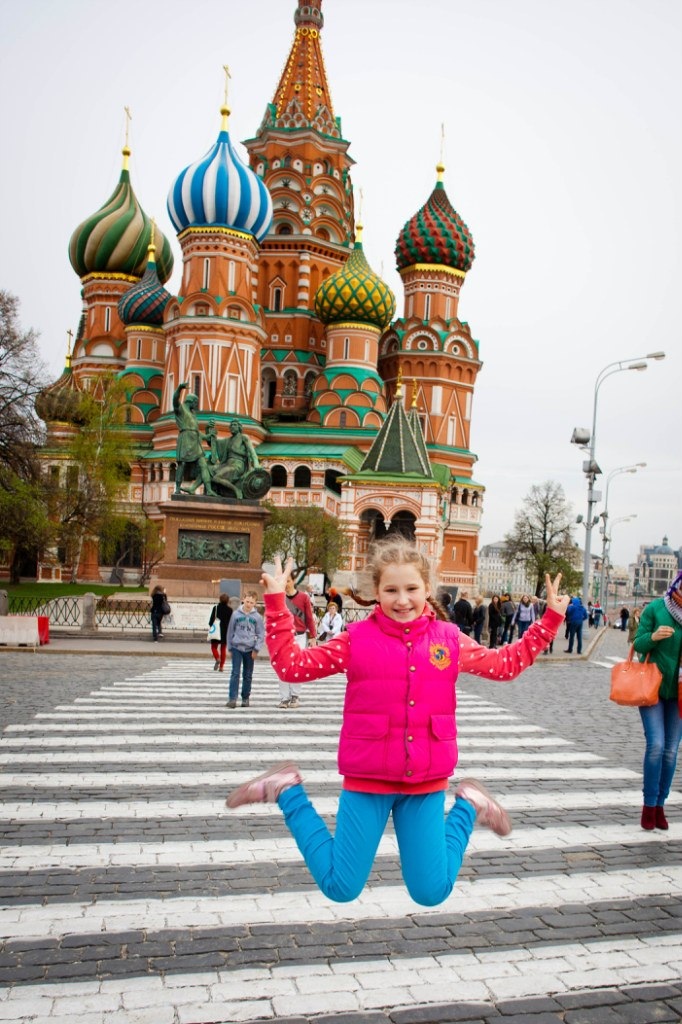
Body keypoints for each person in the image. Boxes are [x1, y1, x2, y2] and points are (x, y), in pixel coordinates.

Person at [226, 537, 568, 907]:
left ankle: (469, 805)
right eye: (391, 589)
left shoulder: (449, 640)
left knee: (431, 891)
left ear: (427, 589)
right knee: (341, 887)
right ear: (376, 591)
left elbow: (504, 665)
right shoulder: (355, 640)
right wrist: (277, 603)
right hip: (367, 780)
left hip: (424, 783)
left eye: (411, 589)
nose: (402, 599)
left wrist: (549, 621)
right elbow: (291, 665)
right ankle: (287, 791)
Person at [633, 571, 682, 831]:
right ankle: (648, 806)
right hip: (652, 688)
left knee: (671, 750)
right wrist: (654, 637)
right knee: (656, 745)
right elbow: (638, 644)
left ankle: (661, 805)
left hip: (680, 694)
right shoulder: (656, 608)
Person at [277, 573, 317, 709]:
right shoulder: (280, 598)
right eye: (284, 582)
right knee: (282, 666)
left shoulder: (304, 597)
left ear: (293, 581)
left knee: (296, 665)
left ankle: (295, 695)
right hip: (283, 636)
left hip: (299, 635)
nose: (286, 584)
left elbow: (309, 618)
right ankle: (284, 697)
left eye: (288, 581)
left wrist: (312, 636)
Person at [173, 383, 216, 496]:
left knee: (203, 465)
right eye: (196, 402)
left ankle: (209, 489)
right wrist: (180, 388)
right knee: (182, 464)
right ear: (190, 401)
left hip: (195, 442)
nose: (196, 405)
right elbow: (175, 399)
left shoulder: (193, 414)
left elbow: (196, 432)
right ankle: (177, 488)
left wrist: (207, 436)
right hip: (186, 440)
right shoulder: (181, 409)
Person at [225, 591, 264, 708]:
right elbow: (230, 631)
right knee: (235, 673)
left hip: (250, 649)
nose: (249, 604)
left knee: (247, 675)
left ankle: (245, 697)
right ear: (243, 600)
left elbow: (261, 634)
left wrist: (256, 649)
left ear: (255, 603)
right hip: (237, 647)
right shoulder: (236, 614)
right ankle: (232, 698)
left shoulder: (257, 617)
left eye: (251, 602)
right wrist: (229, 646)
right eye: (247, 601)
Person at [208, 593, 233, 672]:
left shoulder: (215, 608)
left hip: (216, 631)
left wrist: (212, 626)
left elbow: (211, 621)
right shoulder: (230, 610)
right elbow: (231, 622)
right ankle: (221, 666)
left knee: (213, 647)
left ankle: (217, 658)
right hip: (225, 632)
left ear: (219, 599)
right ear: (228, 601)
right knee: (223, 649)